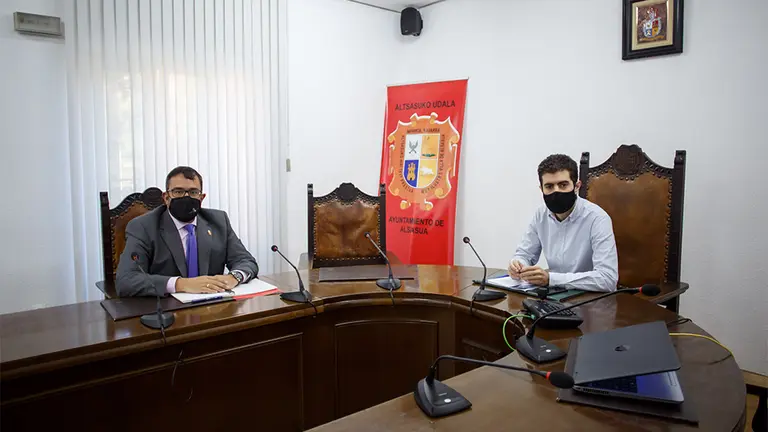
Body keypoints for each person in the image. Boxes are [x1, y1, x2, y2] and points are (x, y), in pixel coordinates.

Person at [116, 166, 259, 297]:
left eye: (193, 192)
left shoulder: (219, 221)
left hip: (212, 307)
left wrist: (233, 277)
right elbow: (126, 280)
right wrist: (181, 284)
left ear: (201, 198)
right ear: (166, 197)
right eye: (178, 192)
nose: (186, 197)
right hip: (166, 311)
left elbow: (245, 261)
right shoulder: (143, 226)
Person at [508, 154, 618, 292]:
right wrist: (518, 265)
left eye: (563, 185)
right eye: (549, 186)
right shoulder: (540, 215)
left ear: (576, 186)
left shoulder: (597, 219)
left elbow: (608, 279)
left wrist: (551, 279)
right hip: (555, 297)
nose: (556, 191)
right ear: (541, 189)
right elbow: (524, 254)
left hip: (591, 299)